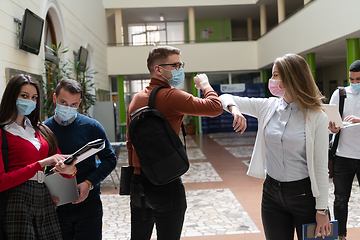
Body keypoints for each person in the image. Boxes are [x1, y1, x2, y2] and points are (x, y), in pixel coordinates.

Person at [219, 53, 331, 240]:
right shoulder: (267, 107)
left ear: (291, 77)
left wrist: (322, 209)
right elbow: (225, 97)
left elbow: (320, 167)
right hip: (271, 194)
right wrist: (235, 110)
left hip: (305, 196)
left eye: (275, 75)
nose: (271, 80)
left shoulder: (317, 116)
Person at [126, 45, 223, 240]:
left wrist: (135, 175)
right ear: (158, 69)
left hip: (138, 183)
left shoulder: (136, 99)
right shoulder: (170, 96)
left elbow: (130, 143)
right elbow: (215, 107)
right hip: (165, 183)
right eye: (175, 65)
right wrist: (205, 84)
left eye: (181, 64)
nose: (180, 69)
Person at [0, 74, 77, 239]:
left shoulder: (41, 130)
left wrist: (70, 170)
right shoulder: (2, 132)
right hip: (15, 199)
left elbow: (60, 164)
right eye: (24, 96)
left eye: (34, 97)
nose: (30, 101)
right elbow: (1, 182)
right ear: (11, 96)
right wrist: (40, 164)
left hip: (43, 196)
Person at [44, 79, 117, 240]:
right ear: (54, 98)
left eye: (73, 104)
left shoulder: (92, 127)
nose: (68, 108)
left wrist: (89, 183)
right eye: (63, 102)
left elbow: (110, 159)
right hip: (56, 206)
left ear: (80, 103)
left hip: (88, 203)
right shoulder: (44, 130)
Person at [328, 60, 360, 240]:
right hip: (342, 156)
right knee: (340, 200)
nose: (354, 83)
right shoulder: (340, 94)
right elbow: (328, 123)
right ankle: (341, 236)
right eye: (352, 79)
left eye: (358, 80)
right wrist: (331, 128)